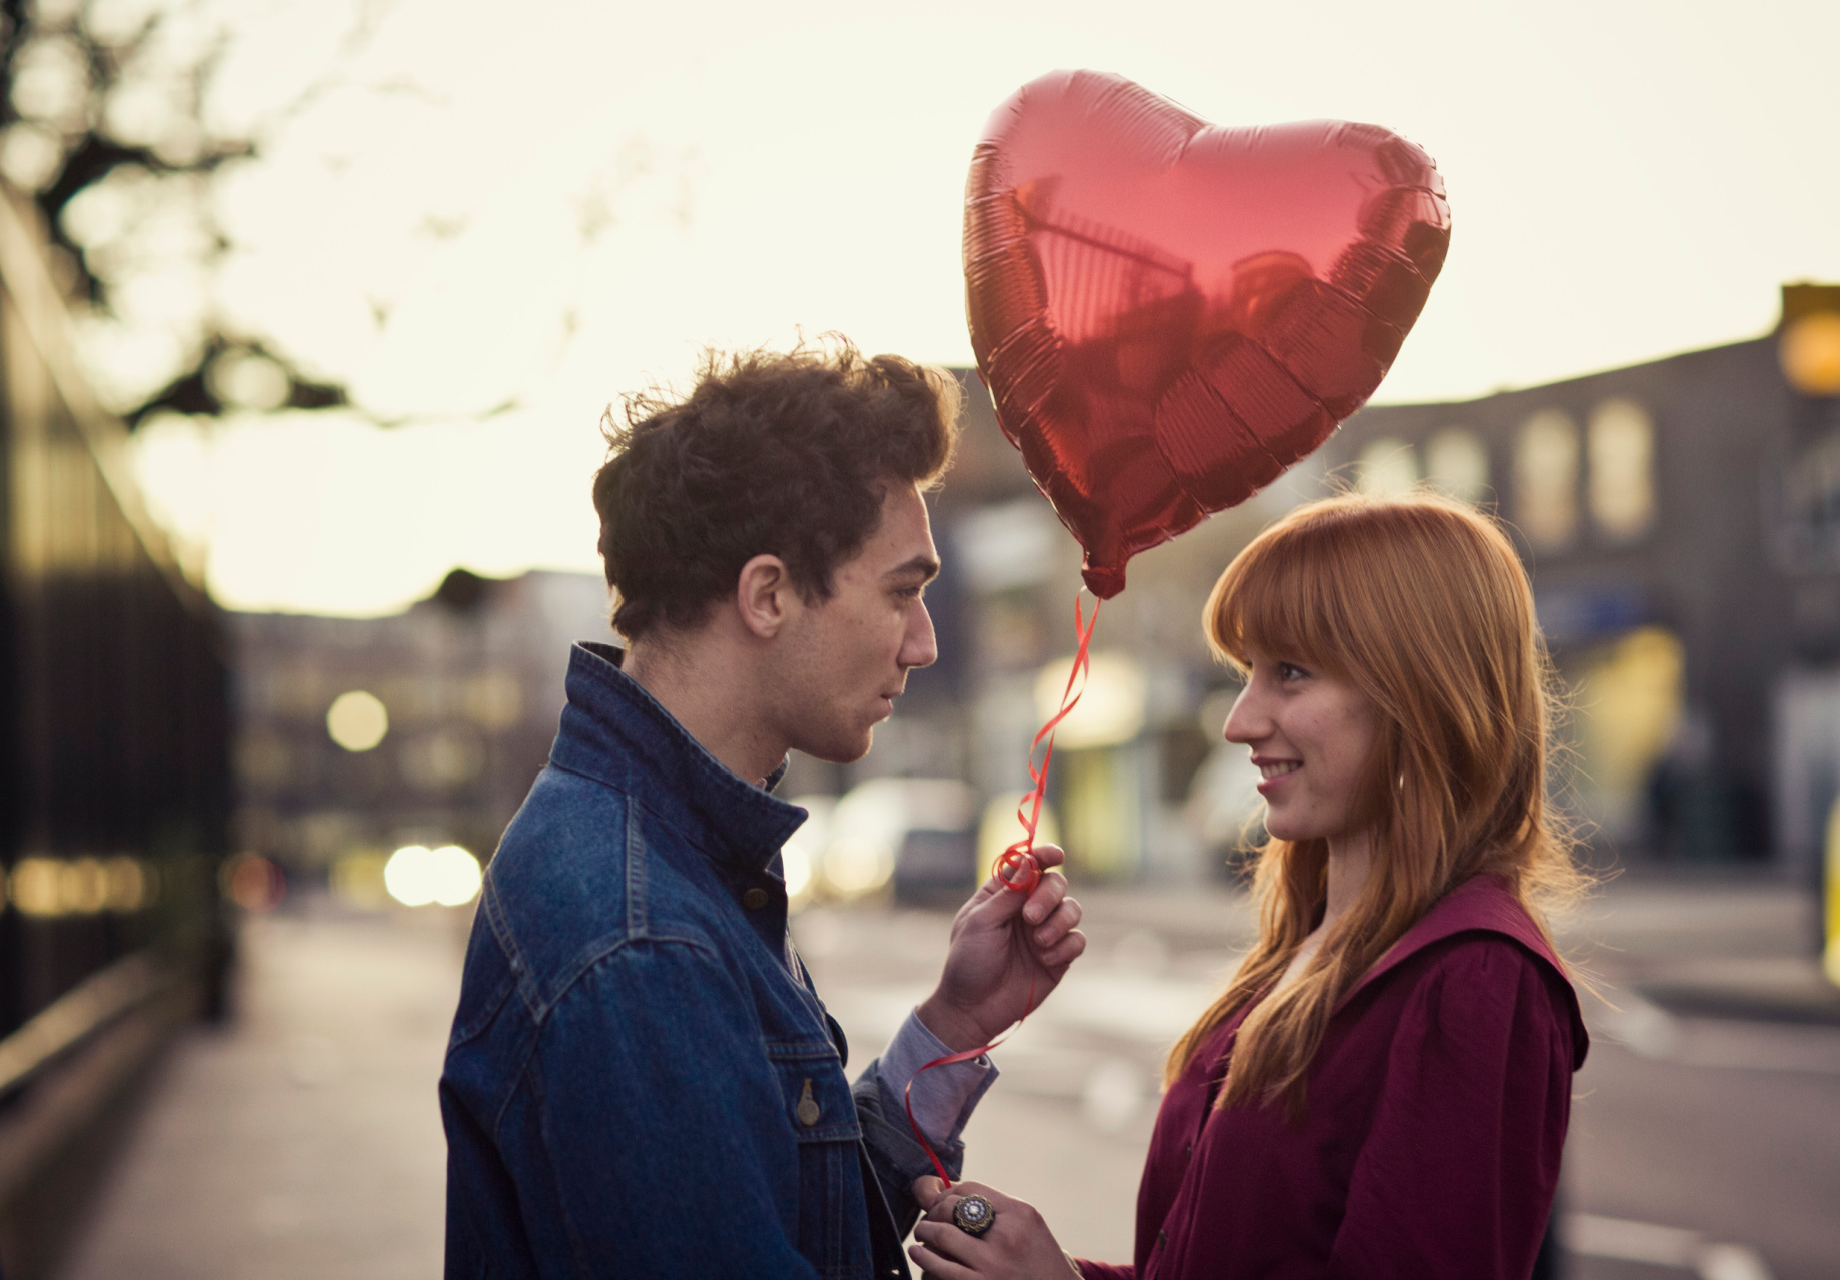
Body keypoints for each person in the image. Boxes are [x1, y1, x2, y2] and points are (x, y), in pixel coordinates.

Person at [439, 341, 1087, 1278]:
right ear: (769, 594)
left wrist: (952, 1025)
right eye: (903, 591)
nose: (924, 643)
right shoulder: (641, 939)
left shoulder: (666, 858)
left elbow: (793, 1205)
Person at [910, 492, 1590, 1280]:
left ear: (1418, 692)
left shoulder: (1473, 976)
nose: (1238, 721)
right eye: (1248, 673)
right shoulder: (1302, 953)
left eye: (1290, 673)